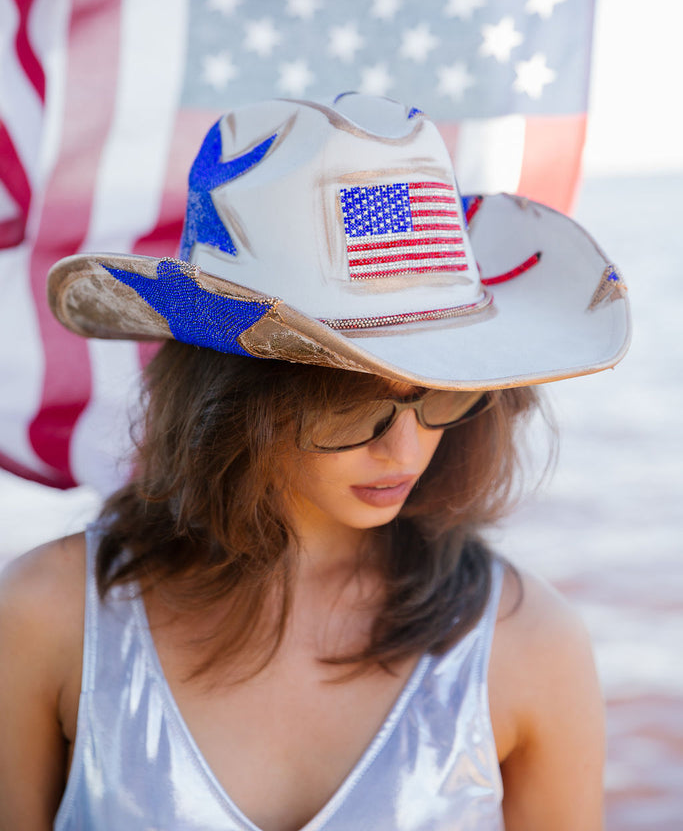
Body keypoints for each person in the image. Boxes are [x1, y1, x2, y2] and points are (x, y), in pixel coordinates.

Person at [0, 94, 630, 831]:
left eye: (437, 396)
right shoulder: (47, 615)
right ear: (231, 401)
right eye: (349, 405)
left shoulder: (530, 644)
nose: (405, 450)